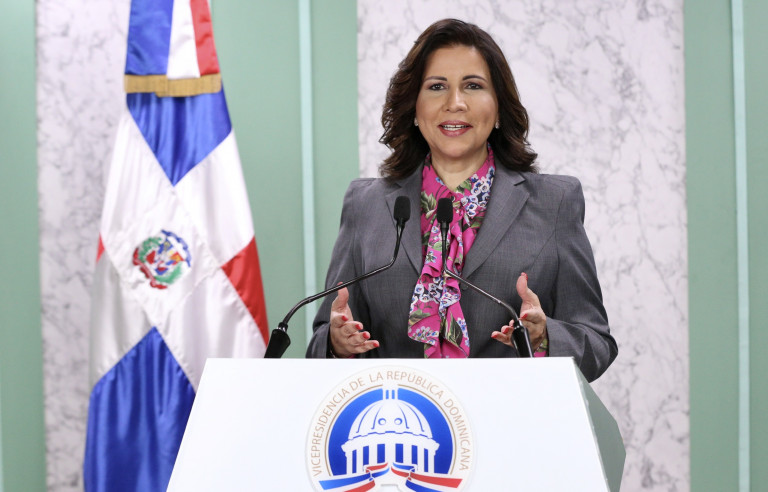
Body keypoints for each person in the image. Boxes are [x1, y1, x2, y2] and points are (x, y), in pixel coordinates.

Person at [306, 18, 617, 382]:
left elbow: (597, 344)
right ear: (414, 109)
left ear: (498, 108)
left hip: (511, 414)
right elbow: (323, 338)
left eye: (473, 86)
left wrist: (544, 337)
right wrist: (336, 342)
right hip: (400, 414)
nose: (455, 103)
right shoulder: (366, 205)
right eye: (437, 87)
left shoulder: (555, 202)